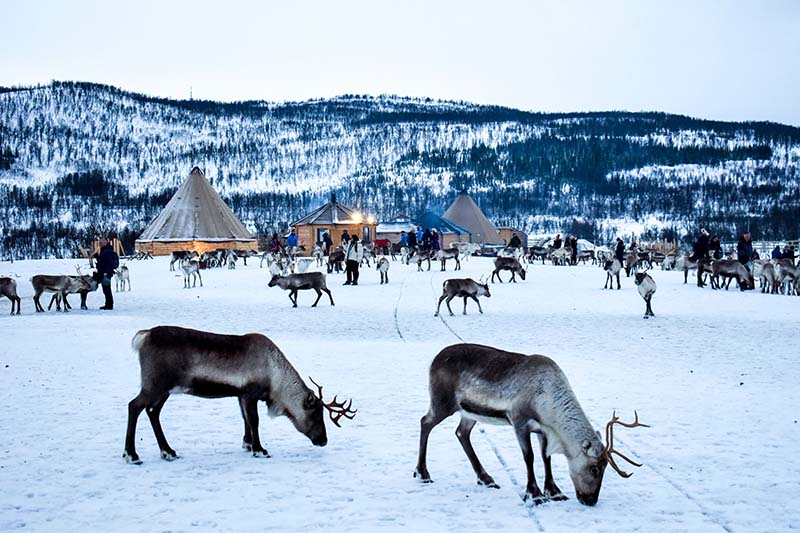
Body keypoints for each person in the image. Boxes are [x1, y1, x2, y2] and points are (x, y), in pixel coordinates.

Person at [95, 235, 119, 310]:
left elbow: (109, 263)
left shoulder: (107, 251)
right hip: (104, 272)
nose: (100, 244)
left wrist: (106, 272)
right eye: (99, 243)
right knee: (106, 289)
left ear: (105, 242)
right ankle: (108, 304)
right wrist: (97, 257)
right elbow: (102, 261)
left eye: (101, 243)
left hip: (106, 273)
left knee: (107, 289)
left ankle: (109, 305)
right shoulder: (105, 250)